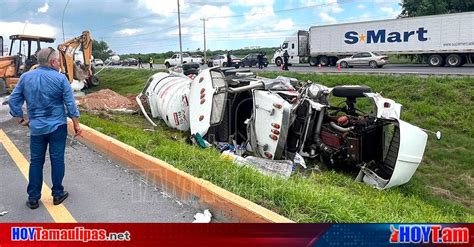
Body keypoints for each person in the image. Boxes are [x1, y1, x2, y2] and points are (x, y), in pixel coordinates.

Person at [8, 47, 82, 210]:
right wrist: (76, 124)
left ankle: (33, 198)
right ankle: (57, 194)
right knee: (57, 159)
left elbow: (14, 100)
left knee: (36, 162)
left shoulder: (26, 77)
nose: (59, 64)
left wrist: (21, 119)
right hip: (57, 127)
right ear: (53, 62)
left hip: (36, 128)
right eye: (59, 62)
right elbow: (70, 104)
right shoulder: (61, 79)